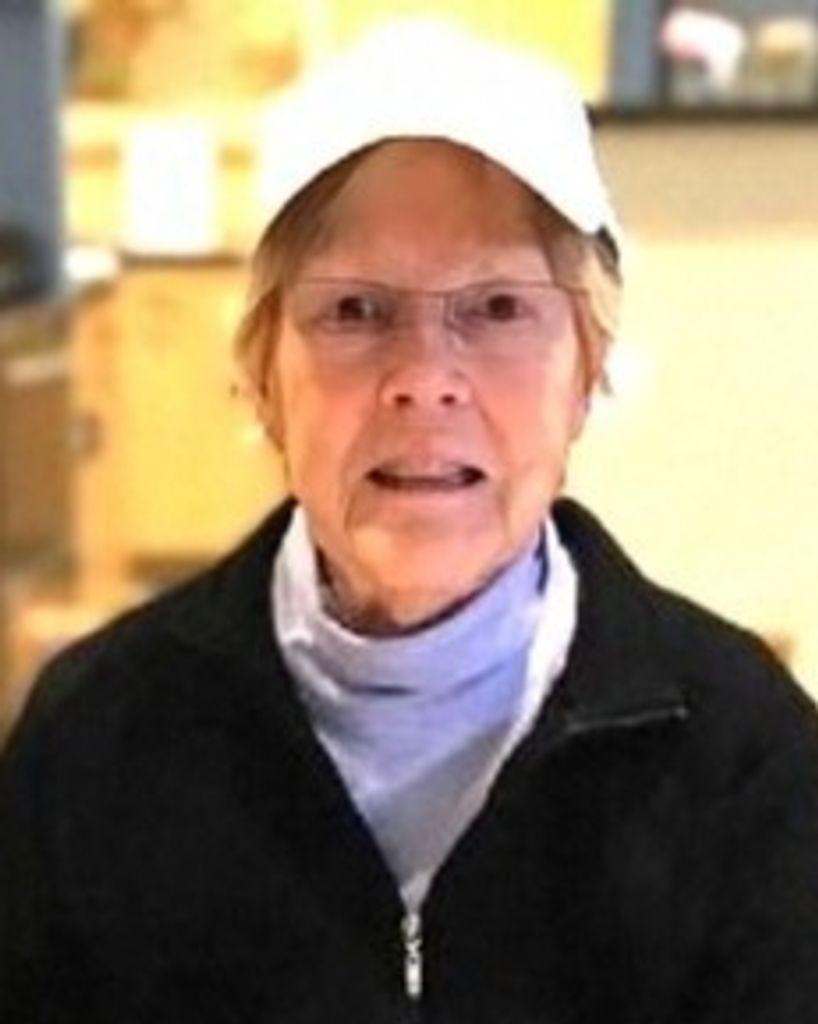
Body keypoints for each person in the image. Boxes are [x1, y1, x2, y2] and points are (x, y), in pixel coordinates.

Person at [2, 17, 818, 1024]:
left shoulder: (743, 758)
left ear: (588, 370)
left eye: (497, 308)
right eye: (354, 311)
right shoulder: (95, 741)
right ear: (261, 372)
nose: (425, 378)